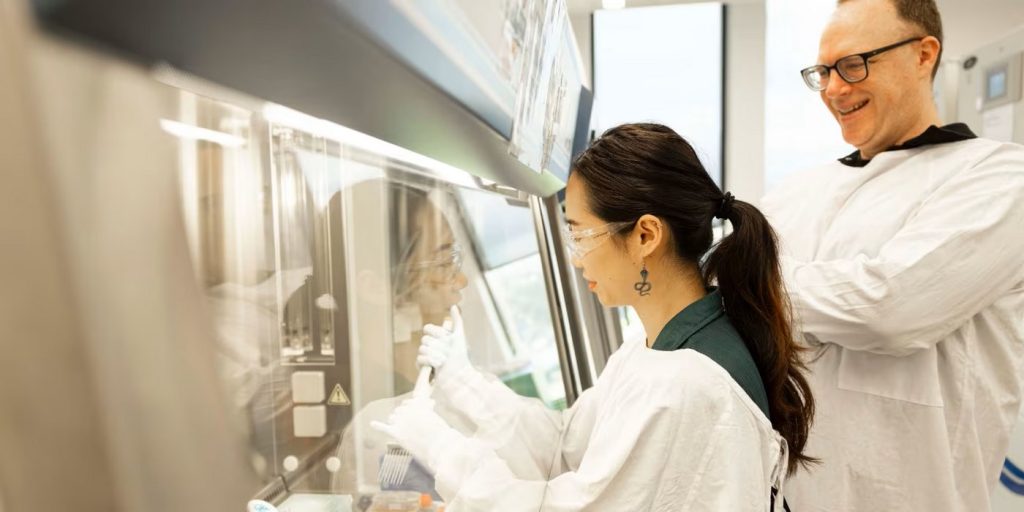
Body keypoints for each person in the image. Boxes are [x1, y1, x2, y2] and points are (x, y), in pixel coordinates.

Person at [373, 123, 816, 511]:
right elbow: (565, 447)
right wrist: (462, 380)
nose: (575, 258)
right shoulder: (656, 346)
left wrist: (443, 450)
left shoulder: (683, 382)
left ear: (645, 235)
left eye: (581, 235)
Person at [761, 1, 1024, 510]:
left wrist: (762, 285)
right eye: (824, 71)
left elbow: (889, 309)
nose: (835, 88)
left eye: (854, 64)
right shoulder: (797, 192)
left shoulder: (998, 177)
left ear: (924, 55)